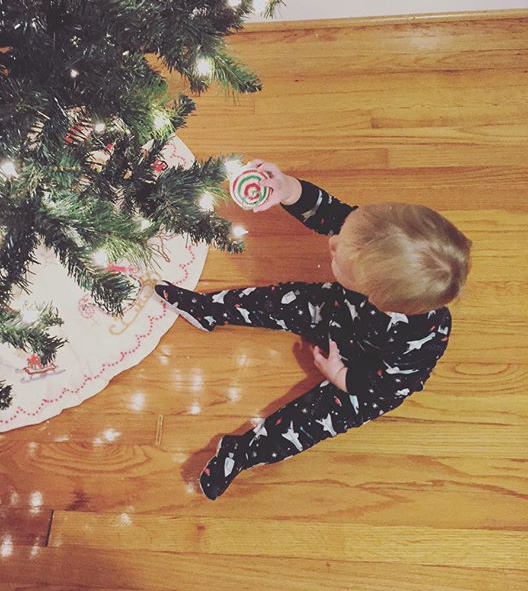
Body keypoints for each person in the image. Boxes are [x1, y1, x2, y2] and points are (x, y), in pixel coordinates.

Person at [155, 160, 472, 500]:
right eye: (344, 236)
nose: (332, 244)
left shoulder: (418, 338)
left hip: (362, 375)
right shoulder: (370, 236)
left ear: (378, 297)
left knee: (313, 420)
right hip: (336, 313)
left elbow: (388, 386)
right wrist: (287, 189)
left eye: (340, 260)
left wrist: (342, 376)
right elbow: (331, 214)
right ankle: (209, 310)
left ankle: (243, 451)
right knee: (275, 300)